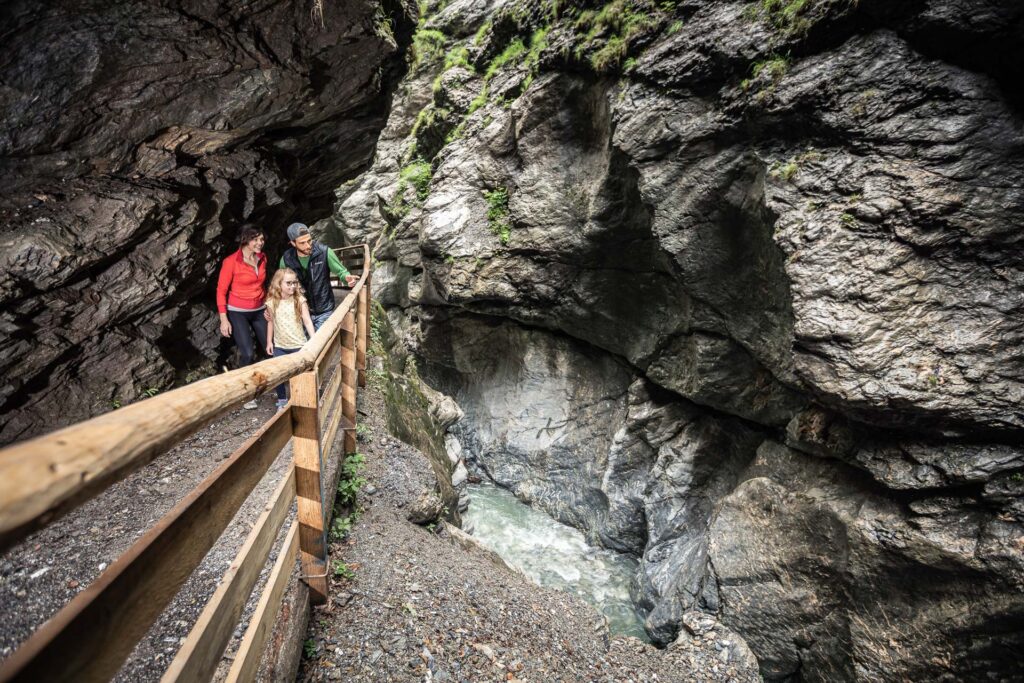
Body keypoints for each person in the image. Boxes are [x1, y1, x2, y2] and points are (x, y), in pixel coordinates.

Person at [216, 226, 268, 409]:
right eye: (256, 240)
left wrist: (267, 305)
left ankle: (281, 387)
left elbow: (263, 286)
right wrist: (224, 319)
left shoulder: (262, 258)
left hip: (259, 309)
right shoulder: (231, 262)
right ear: (245, 240)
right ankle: (245, 392)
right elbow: (221, 291)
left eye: (262, 240)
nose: (260, 243)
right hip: (237, 311)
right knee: (247, 353)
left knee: (272, 348)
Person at [279, 222, 357, 330]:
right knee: (306, 345)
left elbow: (342, 272)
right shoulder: (286, 259)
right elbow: (281, 285)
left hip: (324, 309)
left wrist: (347, 278)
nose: (308, 245)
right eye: (302, 243)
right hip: (300, 311)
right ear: (293, 243)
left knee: (323, 342)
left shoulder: (324, 252)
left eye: (309, 240)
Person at [265, 268, 316, 410]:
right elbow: (271, 322)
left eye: (294, 282)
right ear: (278, 284)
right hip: (280, 346)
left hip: (299, 345)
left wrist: (314, 339)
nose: (292, 286)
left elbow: (307, 321)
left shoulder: (299, 300)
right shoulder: (271, 302)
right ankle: (282, 400)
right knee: (278, 374)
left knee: (302, 374)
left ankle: (303, 399)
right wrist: (269, 342)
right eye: (288, 283)